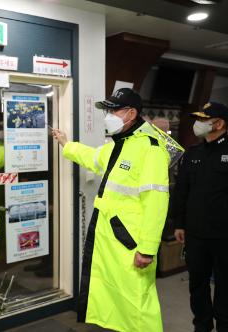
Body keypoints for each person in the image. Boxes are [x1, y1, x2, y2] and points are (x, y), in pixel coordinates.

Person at [52, 88, 182, 332]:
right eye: (107, 110)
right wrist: (66, 144)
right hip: (113, 238)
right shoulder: (119, 145)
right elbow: (92, 157)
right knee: (119, 298)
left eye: (113, 110)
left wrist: (147, 248)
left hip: (131, 243)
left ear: (131, 113)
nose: (108, 115)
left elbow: (156, 202)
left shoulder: (150, 149)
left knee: (138, 303)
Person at [172, 102, 228, 332]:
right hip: (196, 235)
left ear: (219, 124)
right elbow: (182, 191)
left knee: (226, 285)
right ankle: (202, 324)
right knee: (197, 284)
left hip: (227, 236)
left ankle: (226, 326)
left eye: (203, 119)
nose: (198, 124)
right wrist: (179, 223)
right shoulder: (192, 154)